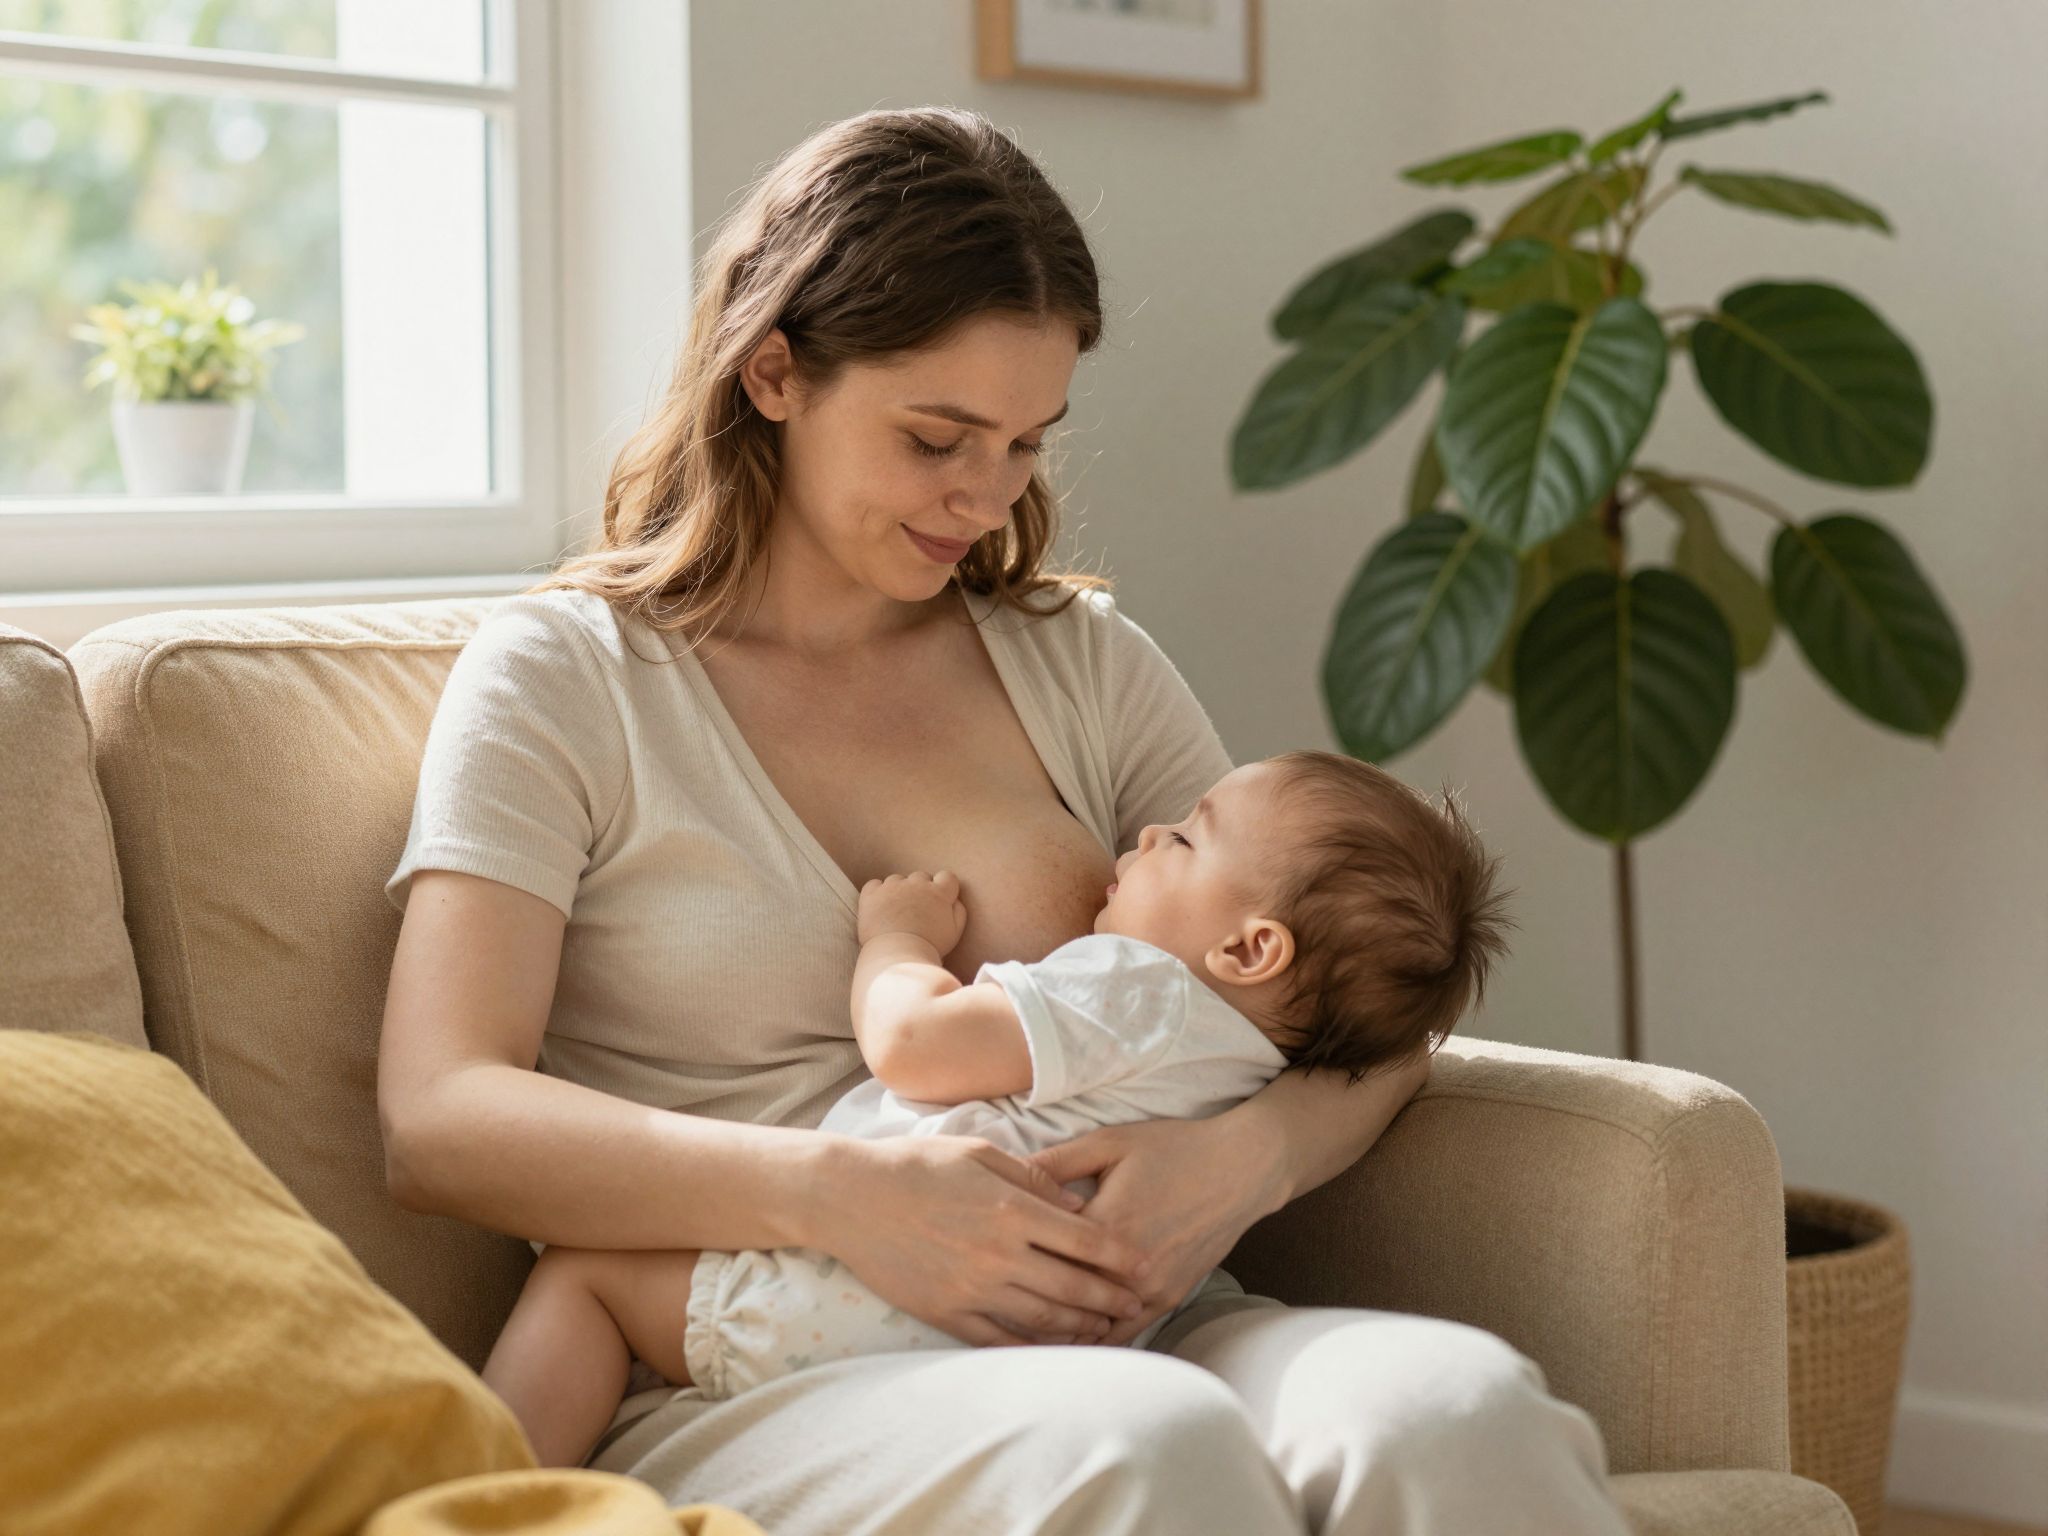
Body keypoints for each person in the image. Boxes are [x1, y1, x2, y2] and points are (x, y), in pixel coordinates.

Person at [377, 105, 1633, 1534]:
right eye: (937, 438)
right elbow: (440, 1115)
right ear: (774, 371)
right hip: (759, 1351)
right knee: (1142, 1447)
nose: (987, 496)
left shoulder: (1079, 664)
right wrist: (841, 1195)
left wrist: (1244, 1160)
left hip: (1127, 1318)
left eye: (1027, 443)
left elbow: (1344, 985)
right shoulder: (564, 678)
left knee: (1454, 1412)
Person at [480, 751, 1515, 1463]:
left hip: (870, 1307)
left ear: (1250, 950)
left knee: (585, 1278)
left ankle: (481, 1502)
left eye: (1185, 839)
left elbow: (914, 1046)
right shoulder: (1257, 1055)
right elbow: (1389, 1055)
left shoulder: (1139, 990)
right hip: (1065, 1347)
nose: (1147, 831)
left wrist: (898, 940)